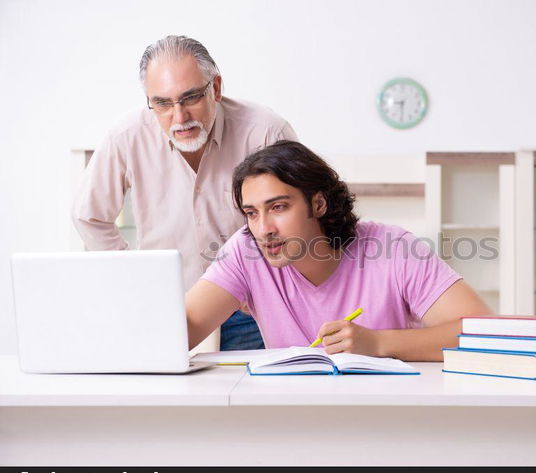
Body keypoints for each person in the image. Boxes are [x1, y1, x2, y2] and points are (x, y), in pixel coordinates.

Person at [72, 35, 297, 351]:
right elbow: (89, 215)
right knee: (168, 399)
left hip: (250, 310)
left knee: (256, 398)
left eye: (190, 98)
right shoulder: (127, 135)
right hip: (168, 309)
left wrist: (268, 279)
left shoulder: (265, 131)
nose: (179, 117)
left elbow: (295, 217)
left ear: (215, 88)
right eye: (162, 103)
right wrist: (136, 276)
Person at [185, 141, 491, 361]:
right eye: (252, 213)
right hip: (294, 416)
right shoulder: (246, 250)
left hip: (390, 414)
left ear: (318, 204)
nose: (264, 228)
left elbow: (481, 335)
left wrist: (378, 342)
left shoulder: (393, 248)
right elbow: (181, 330)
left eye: (278, 207)